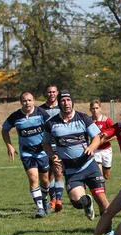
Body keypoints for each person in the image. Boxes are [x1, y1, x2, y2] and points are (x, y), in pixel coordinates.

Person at [42, 90, 110, 224]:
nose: (66, 103)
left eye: (68, 100)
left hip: (89, 166)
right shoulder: (51, 123)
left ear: (72, 101)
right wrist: (52, 155)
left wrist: (91, 147)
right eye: (62, 100)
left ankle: (109, 231)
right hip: (71, 170)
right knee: (77, 202)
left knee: (102, 199)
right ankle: (87, 202)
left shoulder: (83, 118)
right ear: (58, 103)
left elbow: (96, 137)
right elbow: (45, 142)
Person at [1, 91, 51, 218]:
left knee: (45, 180)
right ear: (20, 102)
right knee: (33, 179)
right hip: (27, 153)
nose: (27, 103)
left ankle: (45, 199)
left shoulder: (41, 113)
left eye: (29, 100)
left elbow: (52, 127)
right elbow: (4, 130)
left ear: (33, 101)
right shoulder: (15, 116)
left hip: (42, 152)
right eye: (24, 100)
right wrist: (9, 146)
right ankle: (39, 208)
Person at [39, 85, 65, 212]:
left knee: (58, 172)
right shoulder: (40, 109)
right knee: (48, 176)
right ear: (46, 93)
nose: (51, 94)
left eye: (54, 92)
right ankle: (53, 198)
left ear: (57, 93)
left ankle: (59, 200)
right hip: (45, 146)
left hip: (59, 145)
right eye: (49, 92)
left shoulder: (62, 108)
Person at [90, 100, 115, 182]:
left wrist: (104, 140)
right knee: (99, 175)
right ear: (90, 109)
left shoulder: (107, 120)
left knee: (106, 175)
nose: (95, 110)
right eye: (93, 108)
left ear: (100, 109)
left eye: (97, 108)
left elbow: (115, 135)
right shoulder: (89, 121)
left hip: (106, 150)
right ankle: (101, 190)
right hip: (95, 150)